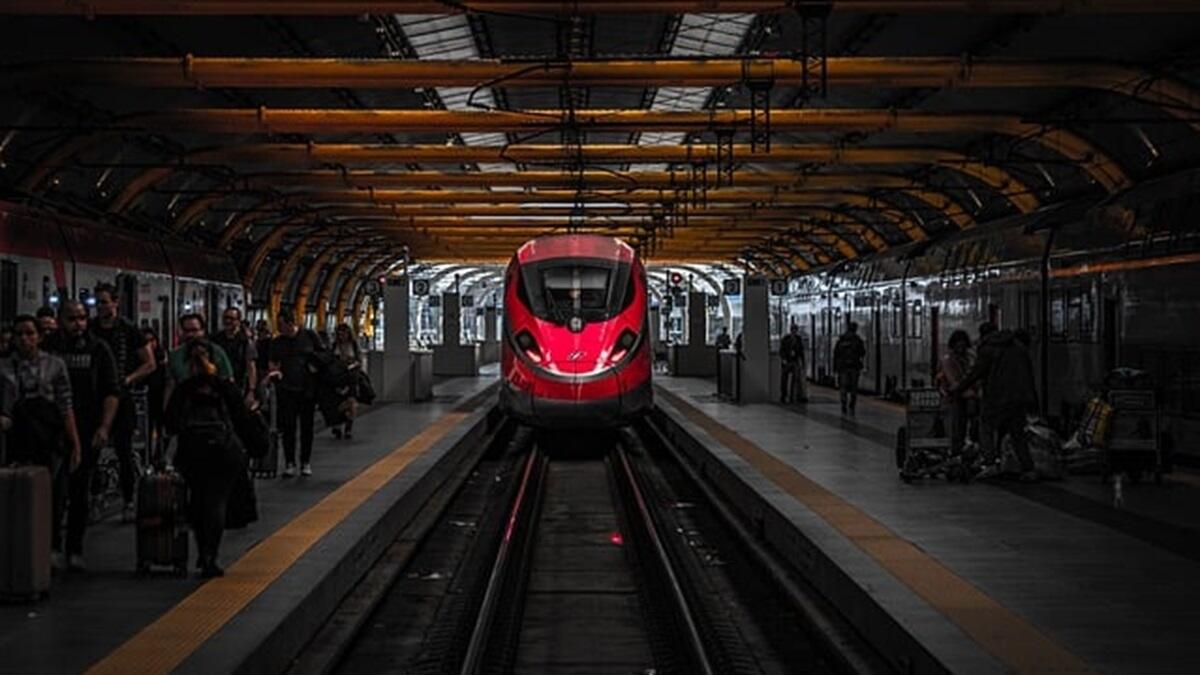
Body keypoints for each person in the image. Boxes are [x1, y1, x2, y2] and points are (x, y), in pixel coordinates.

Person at [1, 315, 82, 572]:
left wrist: (75, 442)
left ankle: (51, 547)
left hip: (49, 439)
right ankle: (19, 549)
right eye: (19, 334)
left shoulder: (55, 366)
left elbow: (65, 403)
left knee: (54, 496)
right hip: (15, 439)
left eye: (29, 333)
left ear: (39, 336)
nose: (24, 339)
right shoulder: (4, 368)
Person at [46, 301, 120, 570]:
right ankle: (52, 547)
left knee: (79, 491)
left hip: (88, 428)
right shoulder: (48, 347)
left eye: (81, 318)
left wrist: (104, 427)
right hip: (51, 430)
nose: (77, 323)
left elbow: (111, 391)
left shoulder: (98, 349)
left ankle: (73, 548)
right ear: (60, 319)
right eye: (71, 318)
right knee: (54, 492)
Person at [164, 339, 247, 578]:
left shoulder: (184, 389)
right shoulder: (224, 386)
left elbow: (170, 421)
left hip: (192, 451)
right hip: (224, 451)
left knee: (197, 500)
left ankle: (201, 550)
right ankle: (210, 556)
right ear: (214, 360)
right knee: (217, 501)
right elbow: (241, 417)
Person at [91, 283, 156, 522]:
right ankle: (96, 495)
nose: (100, 307)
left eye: (104, 302)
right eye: (97, 303)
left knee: (124, 450)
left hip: (123, 398)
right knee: (92, 451)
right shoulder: (90, 330)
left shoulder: (129, 330)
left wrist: (128, 379)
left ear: (115, 302)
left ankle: (129, 500)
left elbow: (149, 363)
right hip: (96, 399)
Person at [951, 322, 1039, 481]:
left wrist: (958, 390)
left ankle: (989, 463)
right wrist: (1032, 398)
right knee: (1017, 433)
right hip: (1019, 397)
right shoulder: (1018, 346)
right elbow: (1029, 374)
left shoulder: (988, 348)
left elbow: (976, 373)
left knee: (986, 426)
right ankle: (1028, 469)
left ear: (984, 335)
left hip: (998, 397)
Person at [269, 312, 324, 477]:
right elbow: (272, 362)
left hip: (307, 389)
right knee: (288, 428)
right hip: (286, 390)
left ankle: (305, 462)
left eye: (281, 325)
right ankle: (290, 463)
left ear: (290, 322)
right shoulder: (277, 343)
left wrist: (316, 367)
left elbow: (323, 355)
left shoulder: (309, 336)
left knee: (307, 427)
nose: (279, 328)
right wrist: (275, 372)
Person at [937, 329, 977, 455]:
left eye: (963, 346)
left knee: (967, 424)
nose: (961, 349)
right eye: (958, 346)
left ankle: (964, 448)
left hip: (967, 397)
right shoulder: (947, 361)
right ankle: (956, 450)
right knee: (956, 426)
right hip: (952, 399)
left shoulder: (971, 357)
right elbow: (952, 381)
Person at [212, 307, 258, 409]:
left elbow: (251, 367)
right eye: (226, 318)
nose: (228, 321)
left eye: (231, 318)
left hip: (239, 386)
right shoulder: (216, 339)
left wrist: (251, 390)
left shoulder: (245, 342)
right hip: (219, 385)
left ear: (238, 321)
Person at [331, 323, 361, 440]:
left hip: (351, 377)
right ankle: (337, 425)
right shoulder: (334, 346)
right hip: (337, 378)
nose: (341, 335)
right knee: (337, 402)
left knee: (351, 401)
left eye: (344, 333)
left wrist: (352, 365)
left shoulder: (353, 345)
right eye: (339, 333)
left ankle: (348, 427)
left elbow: (359, 360)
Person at [141, 327, 168, 456]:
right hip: (146, 398)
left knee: (160, 428)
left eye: (152, 340)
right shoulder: (139, 360)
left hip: (159, 396)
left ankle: (159, 454)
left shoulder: (162, 357)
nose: (150, 344)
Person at [833, 322, 867, 416]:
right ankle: (852, 404)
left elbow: (836, 354)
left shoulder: (841, 340)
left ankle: (843, 403)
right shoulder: (857, 340)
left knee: (843, 387)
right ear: (855, 329)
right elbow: (862, 352)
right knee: (853, 387)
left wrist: (835, 368)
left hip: (843, 368)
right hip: (854, 367)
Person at [780, 324, 806, 404]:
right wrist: (783, 359)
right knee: (784, 379)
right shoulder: (785, 339)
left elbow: (801, 351)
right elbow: (781, 350)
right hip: (787, 361)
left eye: (795, 330)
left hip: (795, 361)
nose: (794, 332)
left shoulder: (798, 339)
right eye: (793, 330)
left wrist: (802, 361)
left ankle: (792, 396)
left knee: (795, 379)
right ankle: (784, 395)